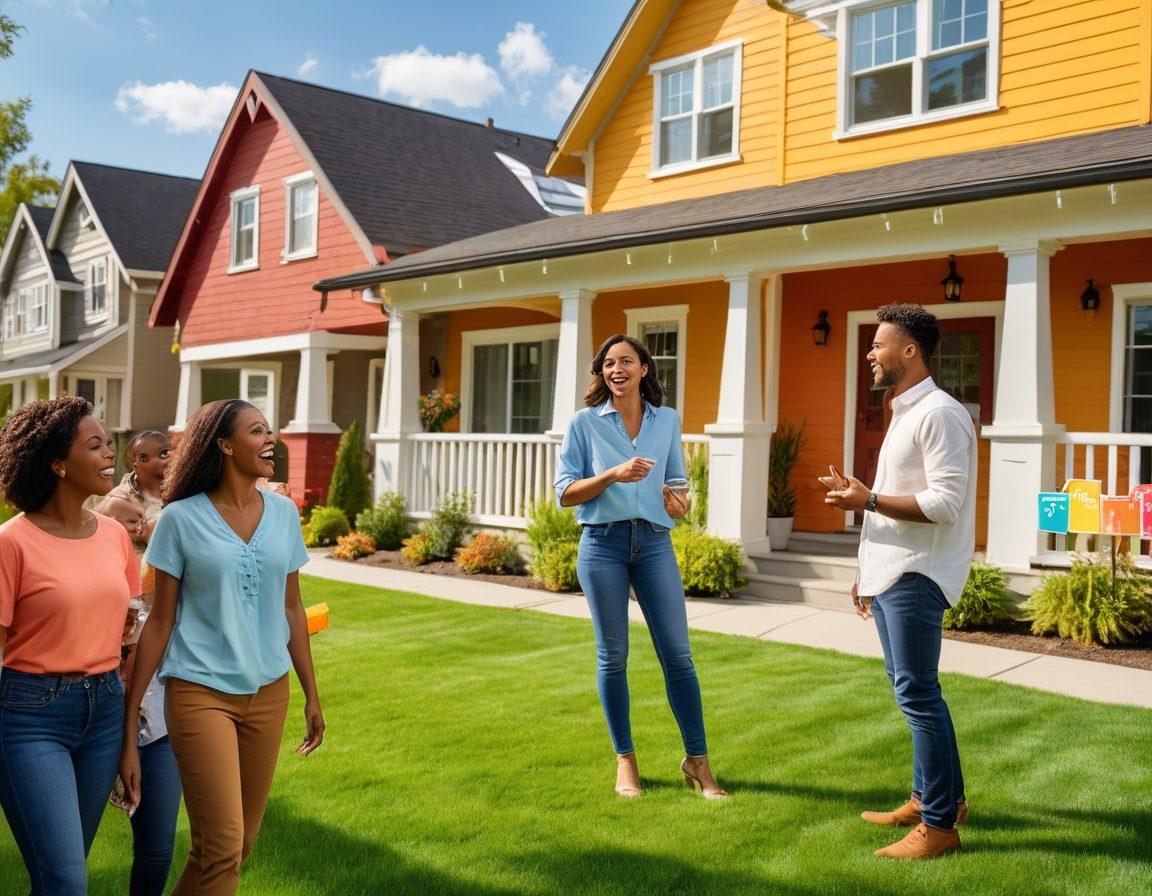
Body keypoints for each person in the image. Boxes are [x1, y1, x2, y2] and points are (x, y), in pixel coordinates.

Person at [120, 399, 324, 896]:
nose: (270, 438)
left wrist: (311, 694)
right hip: (200, 694)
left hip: (269, 692)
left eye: (268, 429)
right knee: (223, 844)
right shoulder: (180, 520)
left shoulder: (283, 513)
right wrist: (130, 727)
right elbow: (160, 621)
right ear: (226, 445)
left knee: (238, 844)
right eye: (257, 431)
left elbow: (292, 609)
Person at [822, 303, 975, 860]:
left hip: (918, 573)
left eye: (879, 344)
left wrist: (869, 499)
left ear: (909, 350)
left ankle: (938, 827)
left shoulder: (940, 413)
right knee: (915, 692)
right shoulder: (904, 412)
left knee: (918, 695)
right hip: (893, 572)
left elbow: (945, 503)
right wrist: (866, 570)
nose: (870, 352)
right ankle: (936, 799)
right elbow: (892, 501)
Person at [554, 334, 725, 800]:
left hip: (653, 544)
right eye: (609, 363)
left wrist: (679, 502)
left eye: (625, 361)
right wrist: (614, 474)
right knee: (613, 658)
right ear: (602, 373)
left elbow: (677, 484)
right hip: (602, 545)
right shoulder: (584, 423)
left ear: (644, 369)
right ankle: (625, 760)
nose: (616, 369)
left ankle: (698, 762)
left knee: (679, 656)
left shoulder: (666, 421)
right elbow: (565, 493)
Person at [0, 396, 141, 894]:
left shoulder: (113, 536)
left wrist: (129, 738)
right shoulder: (10, 543)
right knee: (64, 880)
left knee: (60, 873)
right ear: (57, 464)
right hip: (30, 716)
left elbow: (130, 634)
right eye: (96, 445)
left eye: (110, 444)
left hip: (103, 710)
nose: (111, 456)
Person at [96, 432, 181, 896]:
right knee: (68, 853)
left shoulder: (181, 500)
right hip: (108, 681)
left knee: (158, 842)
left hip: (164, 686)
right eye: (161, 454)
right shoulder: (114, 506)